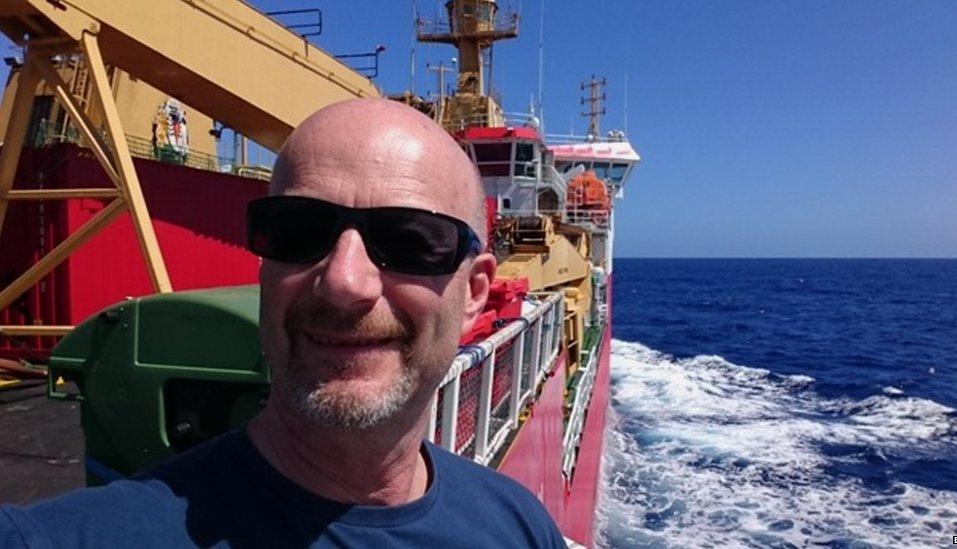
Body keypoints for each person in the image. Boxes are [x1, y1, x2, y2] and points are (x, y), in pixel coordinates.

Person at [0, 99, 566, 548]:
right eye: (298, 230)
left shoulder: (520, 529)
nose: (345, 281)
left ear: (474, 293)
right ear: (266, 267)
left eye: (412, 241)